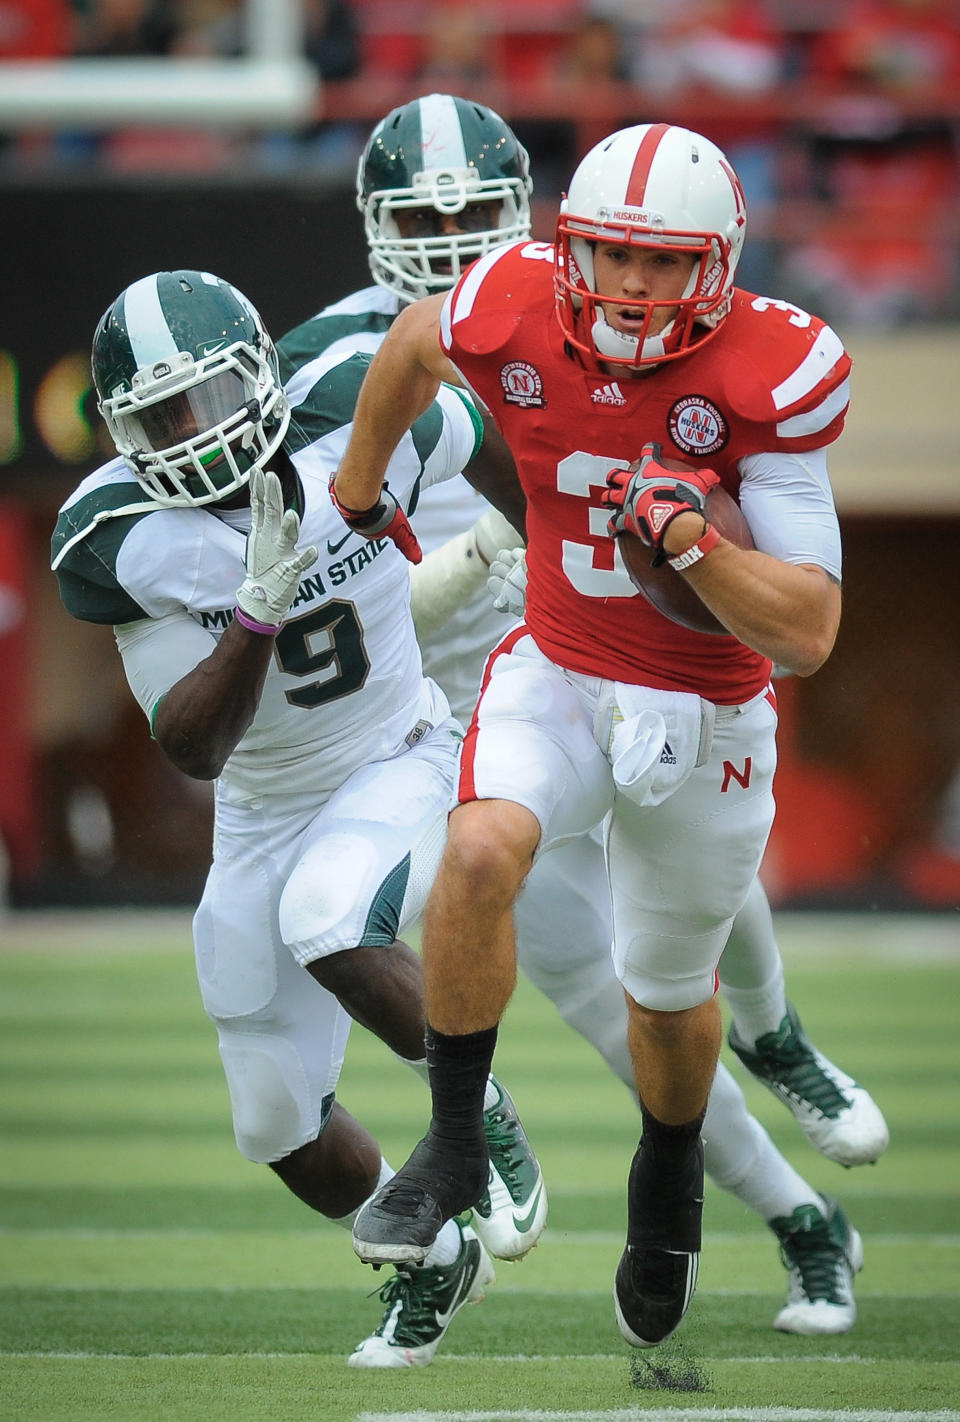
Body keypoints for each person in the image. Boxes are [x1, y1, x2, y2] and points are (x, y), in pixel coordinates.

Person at [328, 118, 867, 1351]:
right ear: (571, 243)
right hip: (560, 666)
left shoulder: (768, 375)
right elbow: (416, 340)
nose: (630, 284)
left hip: (707, 709)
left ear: (717, 266)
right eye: (611, 252)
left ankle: (667, 1182)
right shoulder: (512, 304)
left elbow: (812, 632)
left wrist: (697, 545)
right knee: (474, 856)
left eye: (663, 261)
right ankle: (458, 1144)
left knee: (669, 1000)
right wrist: (358, 492)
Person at [50, 267, 541, 1371]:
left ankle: (476, 1121)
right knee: (274, 1125)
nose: (192, 432)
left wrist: (557, 564)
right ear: (123, 433)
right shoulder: (125, 535)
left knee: (331, 917)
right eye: (159, 416)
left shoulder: (346, 414)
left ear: (261, 373)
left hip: (398, 753)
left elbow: (482, 430)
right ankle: (435, 1258)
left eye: (208, 397)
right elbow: (192, 746)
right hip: (263, 806)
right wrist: (257, 613)